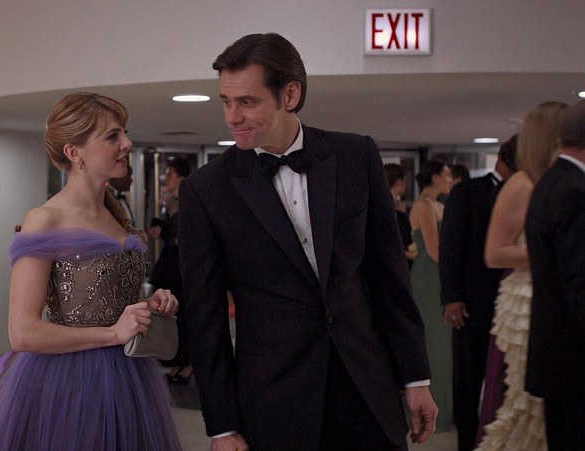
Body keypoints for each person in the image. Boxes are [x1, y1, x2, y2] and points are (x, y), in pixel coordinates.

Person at [178, 33, 437, 451]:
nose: (232, 117)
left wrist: (415, 377)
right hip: (274, 399)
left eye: (247, 101)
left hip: (367, 388)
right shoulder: (206, 190)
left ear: (291, 95)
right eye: (226, 101)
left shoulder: (356, 156)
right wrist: (222, 426)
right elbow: (205, 318)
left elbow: (389, 278)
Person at [0, 92, 182, 450]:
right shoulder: (45, 219)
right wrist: (113, 334)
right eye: (112, 136)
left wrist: (150, 305)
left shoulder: (117, 218)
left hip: (129, 376)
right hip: (69, 383)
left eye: (124, 133)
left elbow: (108, 301)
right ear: (74, 152)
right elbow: (23, 333)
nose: (127, 143)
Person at [476, 101, 566, 451]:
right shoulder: (522, 184)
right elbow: (495, 252)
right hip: (527, 300)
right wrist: (554, 255)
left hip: (555, 293)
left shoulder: (556, 182)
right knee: (528, 402)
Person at [439, 137, 517, 451]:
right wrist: (452, 297)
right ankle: (467, 443)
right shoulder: (467, 192)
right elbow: (450, 247)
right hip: (472, 300)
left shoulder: (529, 191)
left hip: (512, 299)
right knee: (469, 377)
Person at [525, 100, 585, 451]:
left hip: (558, 352)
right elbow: (579, 285)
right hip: (574, 356)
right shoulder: (574, 191)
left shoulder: (550, 182)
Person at [409, 159, 454, 433]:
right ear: (435, 178)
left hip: (440, 276)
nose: (450, 180)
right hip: (429, 279)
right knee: (433, 342)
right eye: (447, 175)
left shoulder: (440, 205)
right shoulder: (423, 206)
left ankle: (446, 407)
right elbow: (434, 250)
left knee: (444, 344)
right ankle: (430, 411)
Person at [149, 158, 193, 384]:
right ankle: (178, 362)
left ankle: (186, 362)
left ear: (180, 177)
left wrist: (165, 231)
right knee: (172, 316)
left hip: (179, 267)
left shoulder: (188, 199)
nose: (166, 179)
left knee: (181, 315)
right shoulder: (173, 200)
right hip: (171, 265)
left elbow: (183, 236)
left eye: (170, 174)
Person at [384, 163, 416, 267]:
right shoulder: (387, 207)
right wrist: (409, 255)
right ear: (399, 182)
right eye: (404, 181)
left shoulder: (396, 206)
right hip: (394, 264)